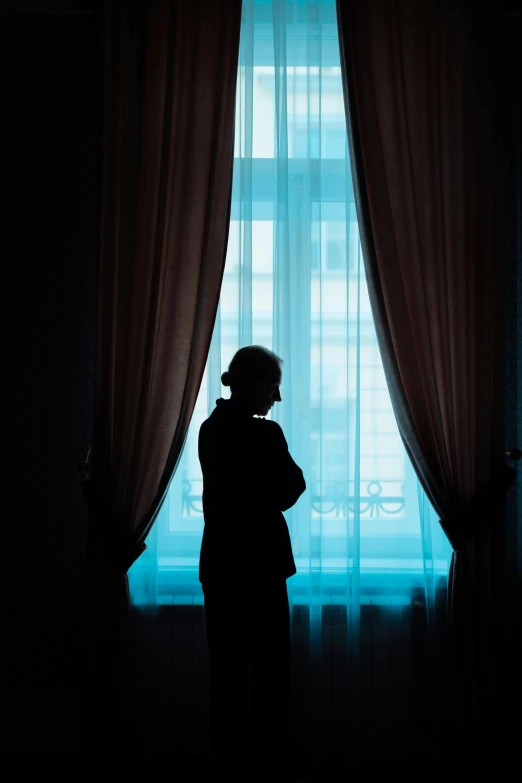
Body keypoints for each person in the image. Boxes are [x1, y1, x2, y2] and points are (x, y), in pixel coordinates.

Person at [198, 345, 306, 778]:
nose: (277, 398)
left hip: (221, 566)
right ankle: (268, 769)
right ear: (255, 382)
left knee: (226, 678)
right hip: (261, 568)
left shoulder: (211, 428)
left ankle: (229, 768)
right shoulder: (266, 435)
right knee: (270, 678)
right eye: (273, 386)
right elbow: (290, 488)